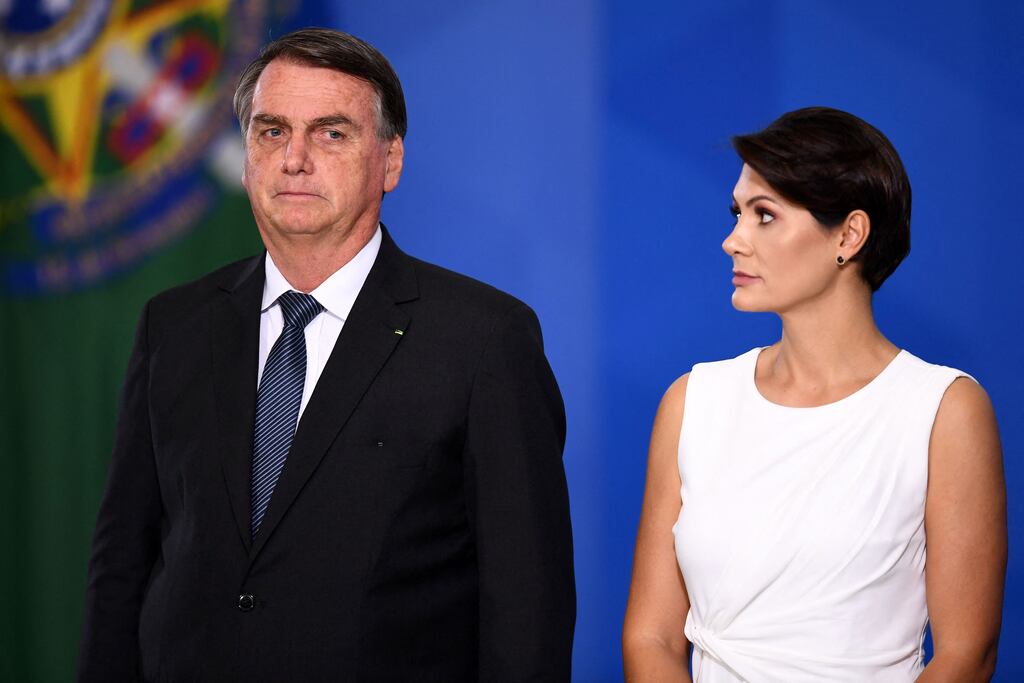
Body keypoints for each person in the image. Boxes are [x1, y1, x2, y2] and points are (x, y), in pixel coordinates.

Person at [77, 27, 575, 682]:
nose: (295, 159)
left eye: (331, 133)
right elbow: (123, 566)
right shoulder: (174, 325)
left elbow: (527, 605)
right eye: (272, 131)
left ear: (391, 160)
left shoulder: (484, 338)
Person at [622, 107, 1006, 681]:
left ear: (849, 235)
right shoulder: (692, 401)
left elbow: (966, 655)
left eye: (765, 216)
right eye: (738, 214)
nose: (733, 241)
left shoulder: (943, 410)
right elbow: (649, 636)